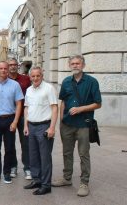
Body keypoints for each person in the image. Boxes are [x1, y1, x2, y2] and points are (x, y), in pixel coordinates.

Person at [52, 55, 102, 197]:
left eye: (78, 63)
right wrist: (61, 121)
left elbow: (98, 104)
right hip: (67, 124)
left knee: (83, 154)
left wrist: (81, 109)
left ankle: (84, 182)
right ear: (69, 65)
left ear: (83, 65)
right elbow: (63, 102)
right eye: (72, 63)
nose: (75, 66)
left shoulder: (92, 82)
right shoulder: (66, 81)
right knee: (67, 153)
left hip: (84, 125)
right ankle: (67, 178)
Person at [23, 67, 58, 195]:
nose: (35, 78)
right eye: (33, 76)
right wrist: (26, 126)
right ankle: (36, 180)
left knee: (45, 157)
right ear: (30, 77)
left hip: (44, 126)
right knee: (33, 156)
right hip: (31, 126)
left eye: (38, 76)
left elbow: (54, 108)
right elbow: (26, 108)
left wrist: (52, 127)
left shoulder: (49, 88)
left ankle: (46, 184)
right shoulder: (29, 90)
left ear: (42, 75)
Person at [0, 61, 23, 184]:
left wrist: (15, 121)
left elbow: (19, 104)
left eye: (5, 68)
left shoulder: (15, 85)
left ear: (8, 70)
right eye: (1, 68)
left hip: (9, 119)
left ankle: (7, 172)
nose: (3, 70)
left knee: (9, 148)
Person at [7, 58, 32, 179]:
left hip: (23, 115)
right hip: (9, 116)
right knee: (10, 143)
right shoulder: (3, 79)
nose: (12, 67)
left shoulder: (26, 79)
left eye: (14, 65)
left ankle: (27, 167)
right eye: (10, 65)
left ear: (18, 66)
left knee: (25, 142)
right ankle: (13, 166)